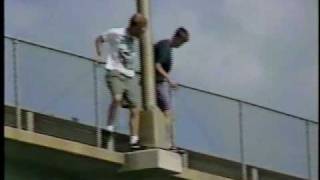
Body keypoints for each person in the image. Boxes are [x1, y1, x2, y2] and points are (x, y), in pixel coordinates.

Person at [94, 13, 147, 150]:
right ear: (133, 26)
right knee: (117, 98)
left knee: (135, 108)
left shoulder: (137, 37)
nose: (141, 33)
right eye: (140, 30)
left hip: (129, 76)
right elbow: (99, 39)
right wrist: (99, 55)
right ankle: (109, 128)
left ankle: (134, 140)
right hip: (114, 72)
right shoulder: (115, 33)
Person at [154, 27, 189, 150]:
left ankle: (170, 143)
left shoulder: (167, 47)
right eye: (182, 42)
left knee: (169, 114)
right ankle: (168, 143)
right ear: (177, 38)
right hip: (157, 83)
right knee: (168, 113)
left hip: (160, 83)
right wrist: (169, 79)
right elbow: (157, 65)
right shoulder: (165, 46)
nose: (182, 45)